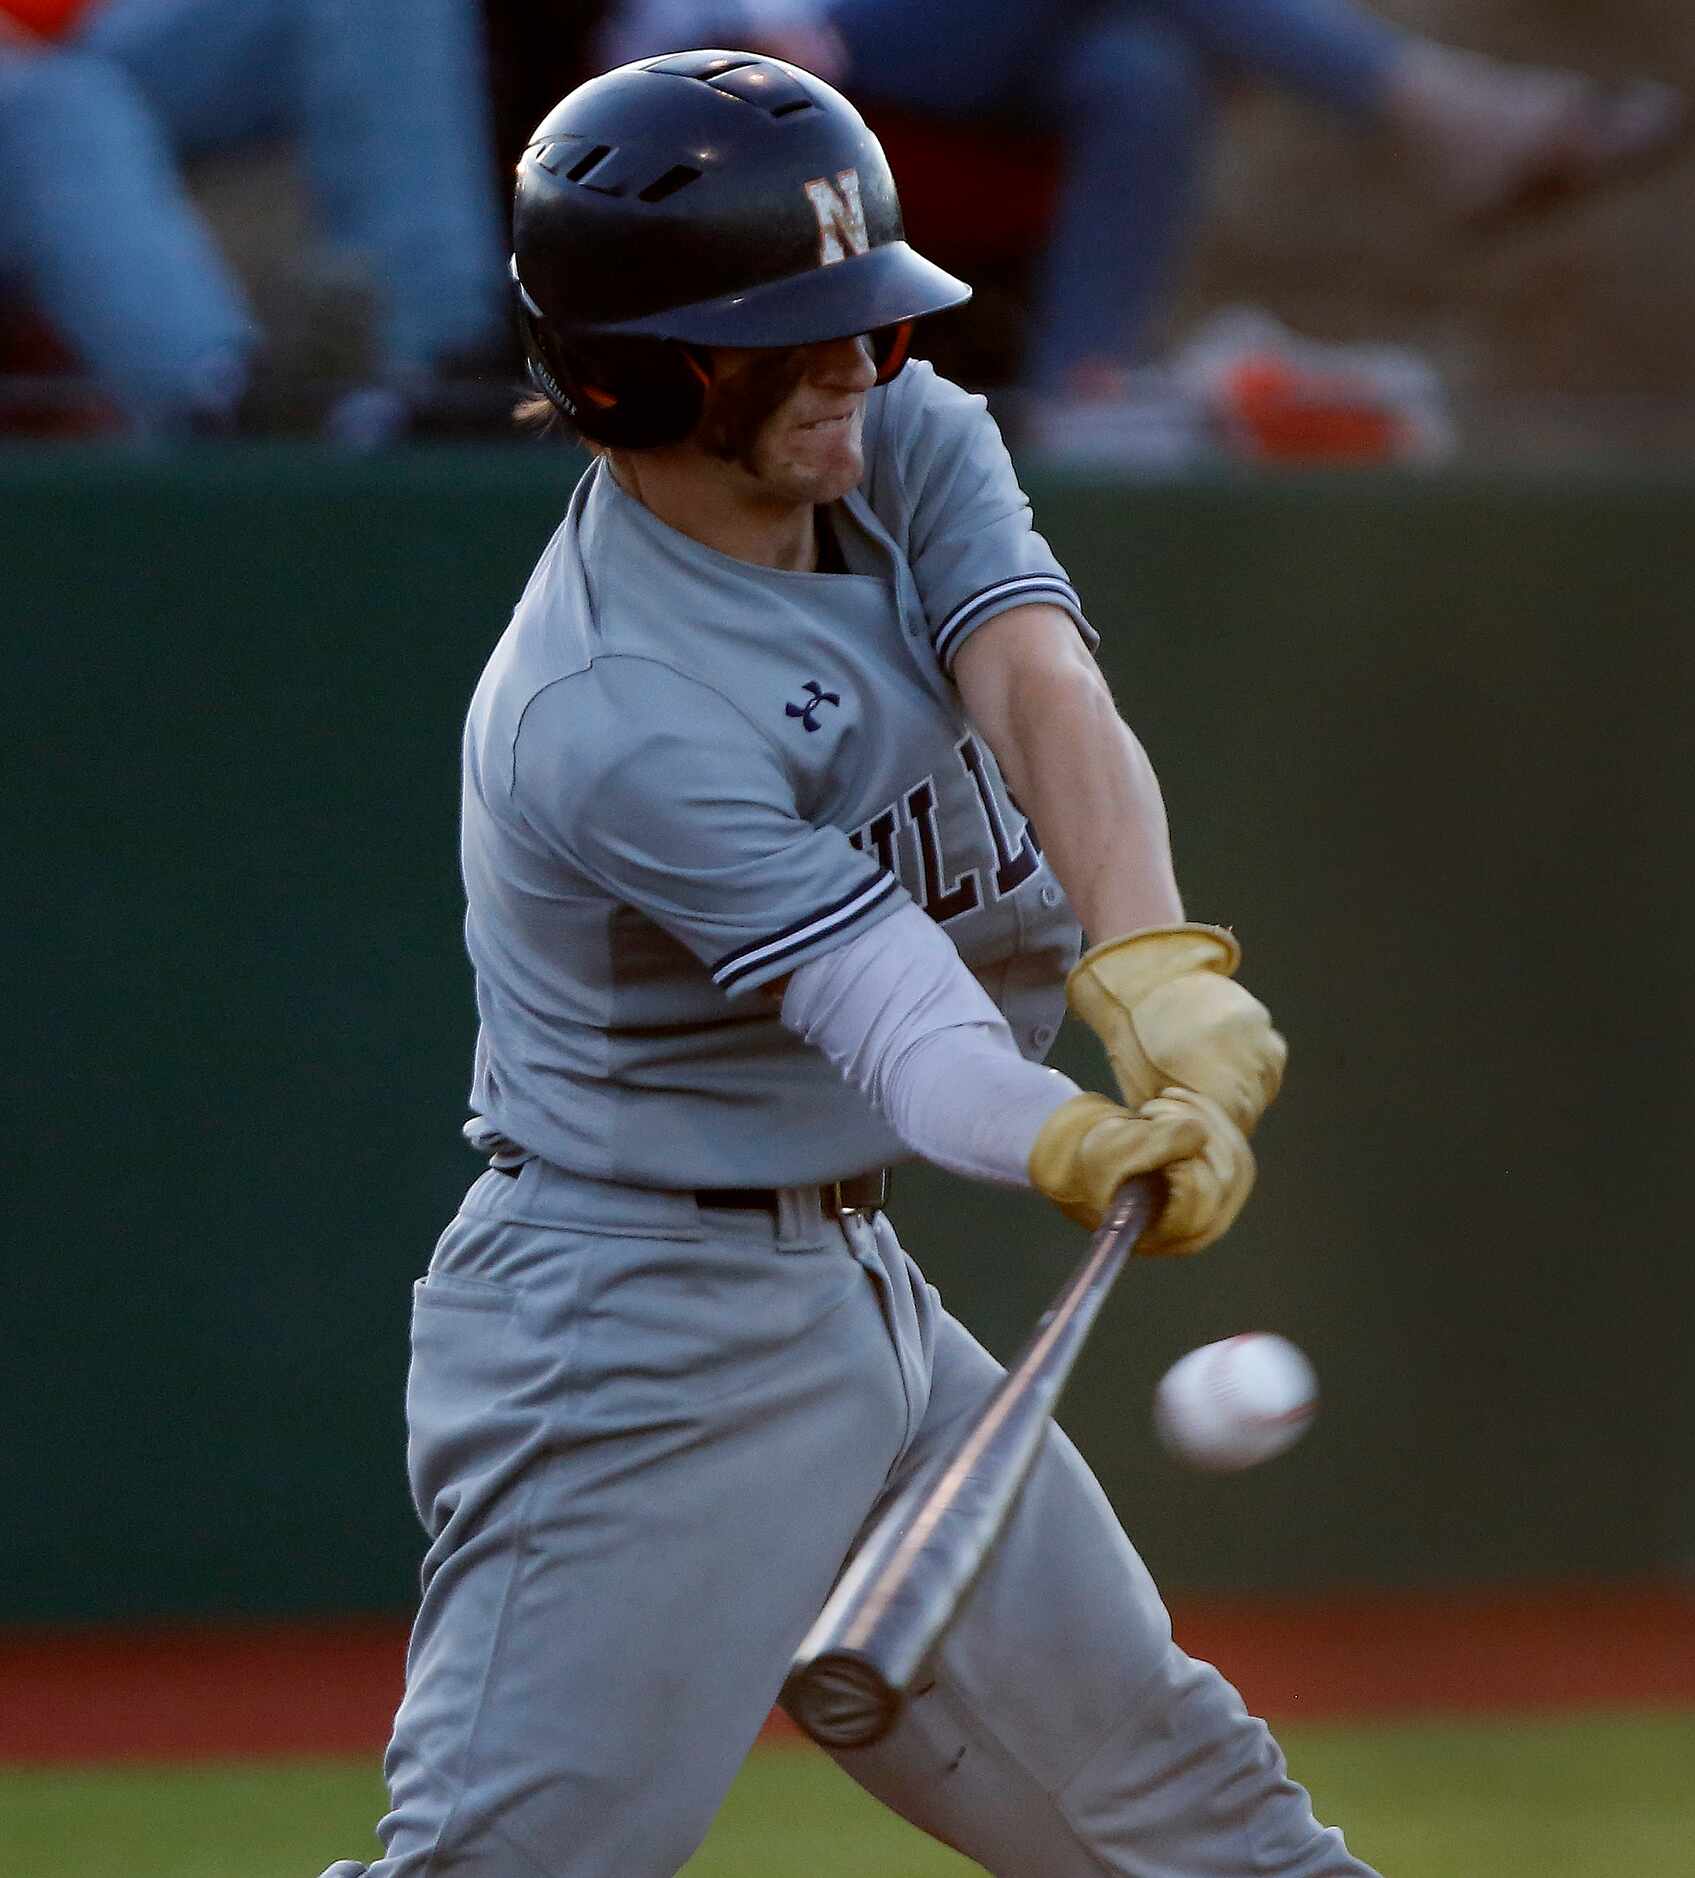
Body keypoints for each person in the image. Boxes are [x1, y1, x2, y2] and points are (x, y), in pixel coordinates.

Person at [317, 51, 1375, 1878]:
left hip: (847, 1281)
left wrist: (1155, 968)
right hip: (633, 1329)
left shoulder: (899, 433)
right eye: (787, 332)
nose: (849, 362)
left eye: (863, 319)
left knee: (1204, 1824)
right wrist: (1069, 1134)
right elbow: (893, 1004)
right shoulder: (610, 706)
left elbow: (1041, 680)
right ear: (632, 366)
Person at [592, 1, 1686, 442]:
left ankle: (1089, 404)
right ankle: (1445, 109)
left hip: (962, 40)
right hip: (756, 36)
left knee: (1141, 69)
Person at [0, 0, 505, 440]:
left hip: (81, 50)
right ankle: (224, 410)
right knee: (53, 105)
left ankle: (440, 379)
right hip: (38, 93)